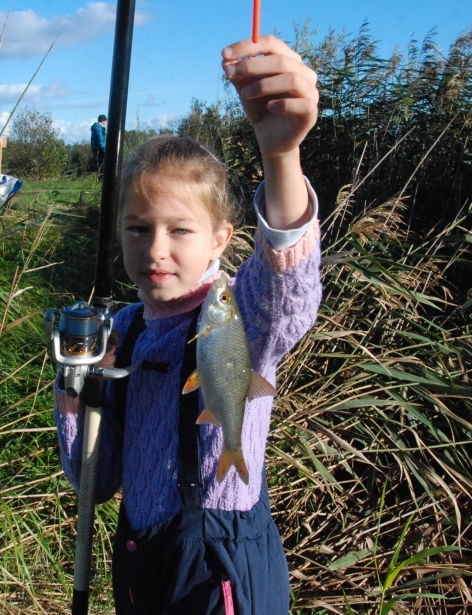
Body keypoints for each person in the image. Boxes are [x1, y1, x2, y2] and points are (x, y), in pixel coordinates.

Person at [54, 36, 321, 614]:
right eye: (136, 228)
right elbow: (93, 483)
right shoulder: (122, 329)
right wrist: (79, 387)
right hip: (140, 556)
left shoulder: (238, 312)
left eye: (180, 230)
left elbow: (289, 298)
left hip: (220, 561)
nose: (155, 250)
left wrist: (281, 157)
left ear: (221, 240)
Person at [91, 114, 108, 179]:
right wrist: (105, 150)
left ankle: (100, 180)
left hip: (96, 150)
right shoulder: (99, 128)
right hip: (100, 150)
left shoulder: (96, 127)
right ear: (102, 120)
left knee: (99, 166)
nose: (106, 122)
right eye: (105, 120)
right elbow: (101, 140)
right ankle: (102, 180)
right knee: (102, 166)